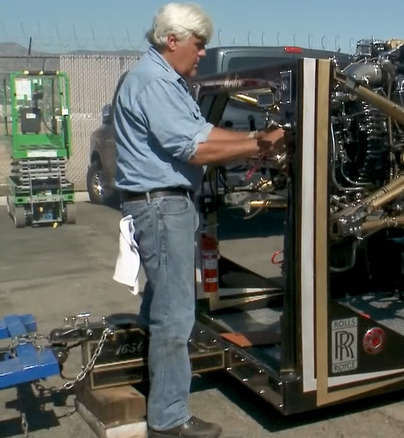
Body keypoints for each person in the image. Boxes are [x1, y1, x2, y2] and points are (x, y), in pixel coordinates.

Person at [112, 3, 285, 437]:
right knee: (175, 315)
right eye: (199, 43)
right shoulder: (153, 82)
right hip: (160, 205)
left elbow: (206, 134)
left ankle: (156, 390)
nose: (203, 53)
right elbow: (194, 149)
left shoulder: (166, 81)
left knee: (161, 306)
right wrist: (258, 143)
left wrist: (255, 141)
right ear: (173, 40)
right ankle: (169, 420)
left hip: (163, 203)